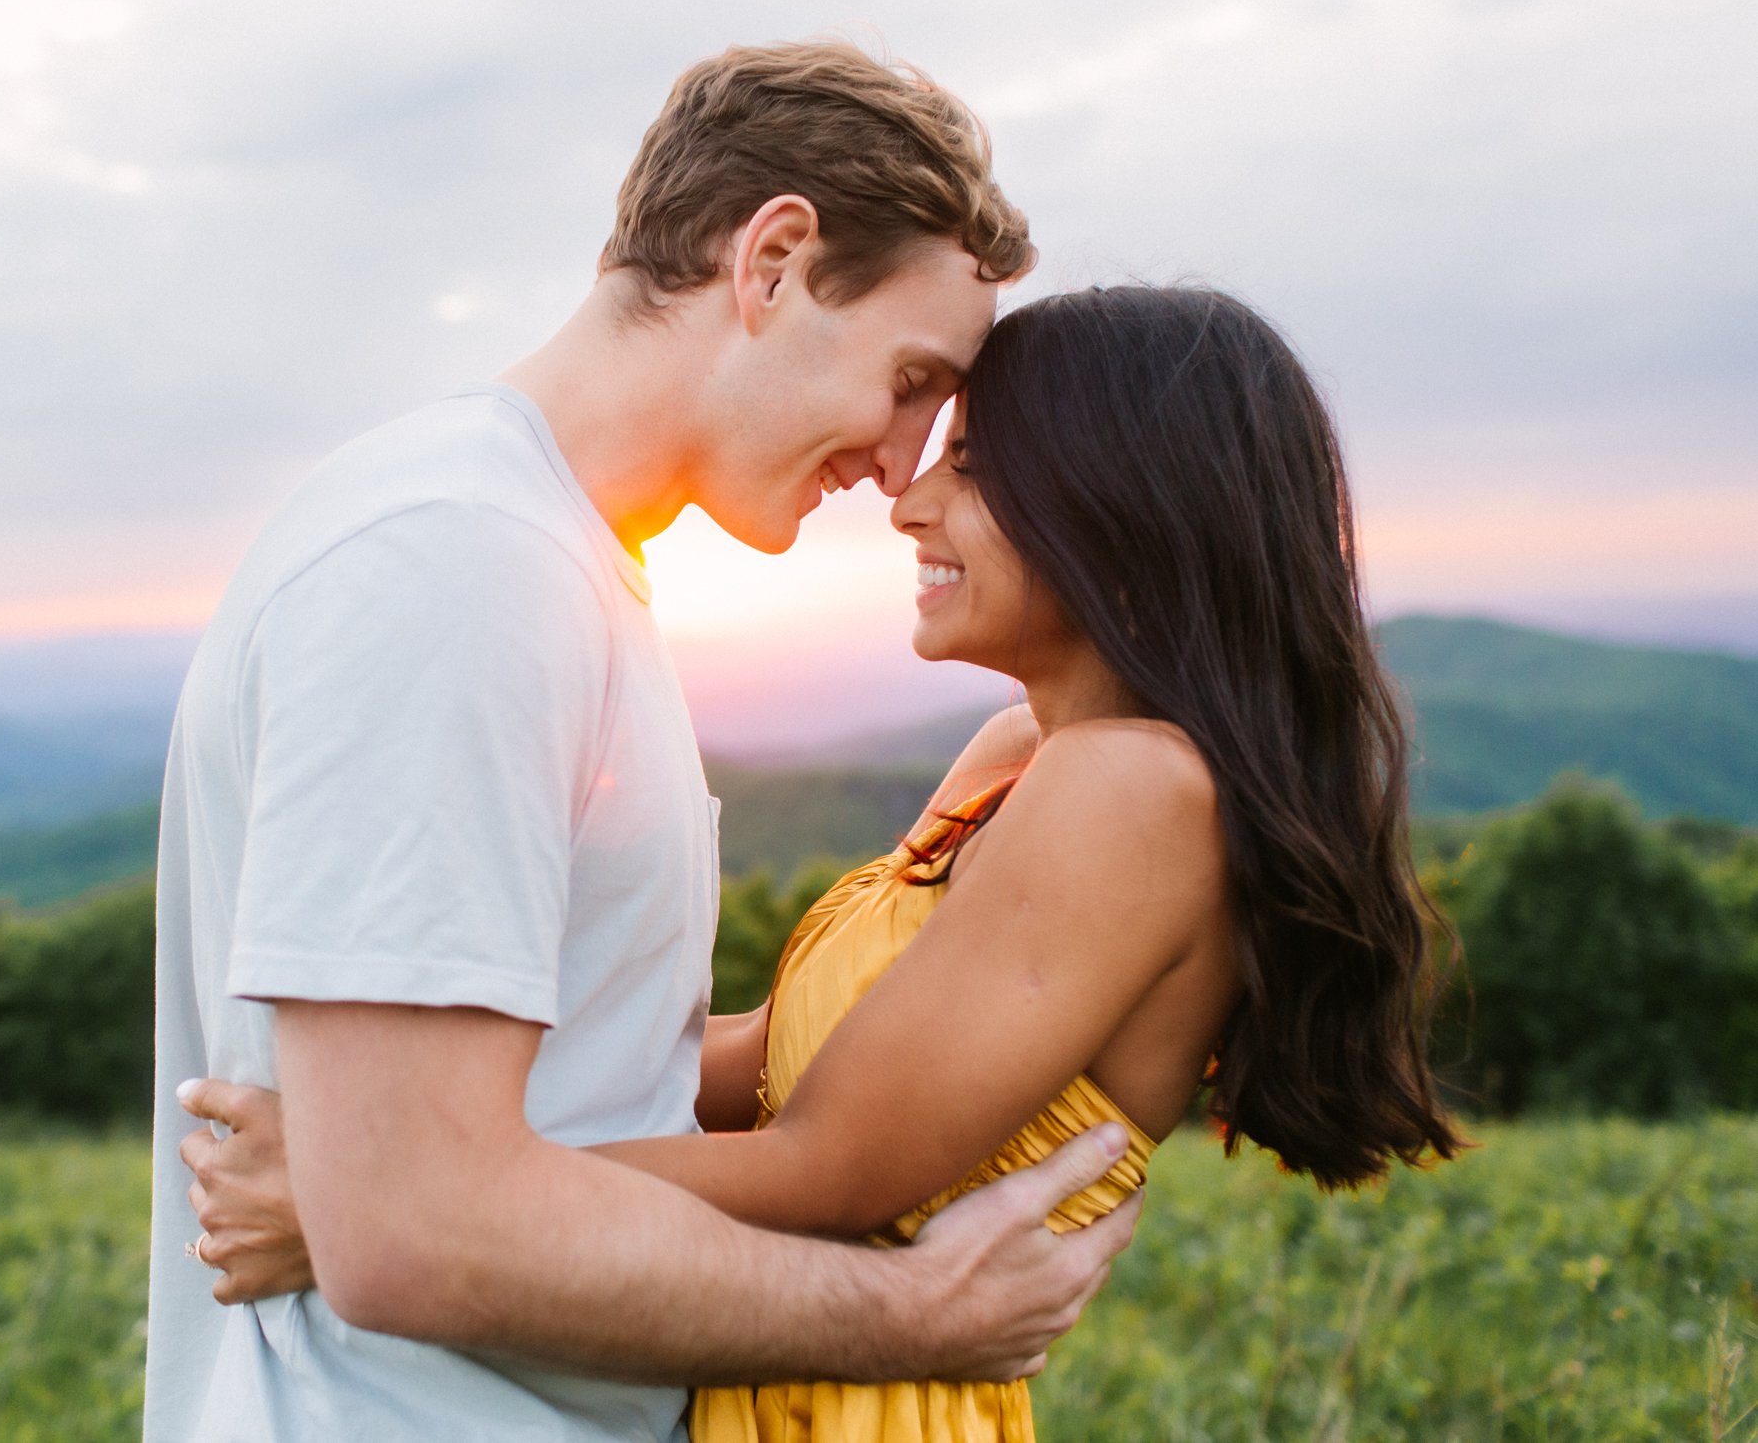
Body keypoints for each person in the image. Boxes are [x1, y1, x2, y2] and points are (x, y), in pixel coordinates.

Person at [181, 285, 1468, 1442]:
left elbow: (827, 1165)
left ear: (1119, 503)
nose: (909, 499)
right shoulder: (1015, 758)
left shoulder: (1139, 794)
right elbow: (767, 1065)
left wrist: (387, 1204)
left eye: (969, 465)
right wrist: (403, 1133)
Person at [145, 41, 1142, 1443]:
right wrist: (919, 1319)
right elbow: (414, 1233)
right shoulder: (455, 566)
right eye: (910, 377)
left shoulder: (549, 563)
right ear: (774, 261)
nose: (902, 462)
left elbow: (586, 1081)